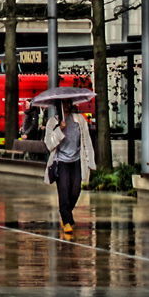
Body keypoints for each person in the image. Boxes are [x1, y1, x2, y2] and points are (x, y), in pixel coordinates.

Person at [45, 101, 95, 235]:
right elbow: (49, 144)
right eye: (64, 103)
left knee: (76, 190)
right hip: (61, 161)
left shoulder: (79, 120)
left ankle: (67, 214)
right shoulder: (52, 122)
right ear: (58, 105)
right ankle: (66, 221)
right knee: (64, 191)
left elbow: (87, 140)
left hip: (76, 160)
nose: (66, 105)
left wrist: (91, 161)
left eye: (68, 102)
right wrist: (59, 130)